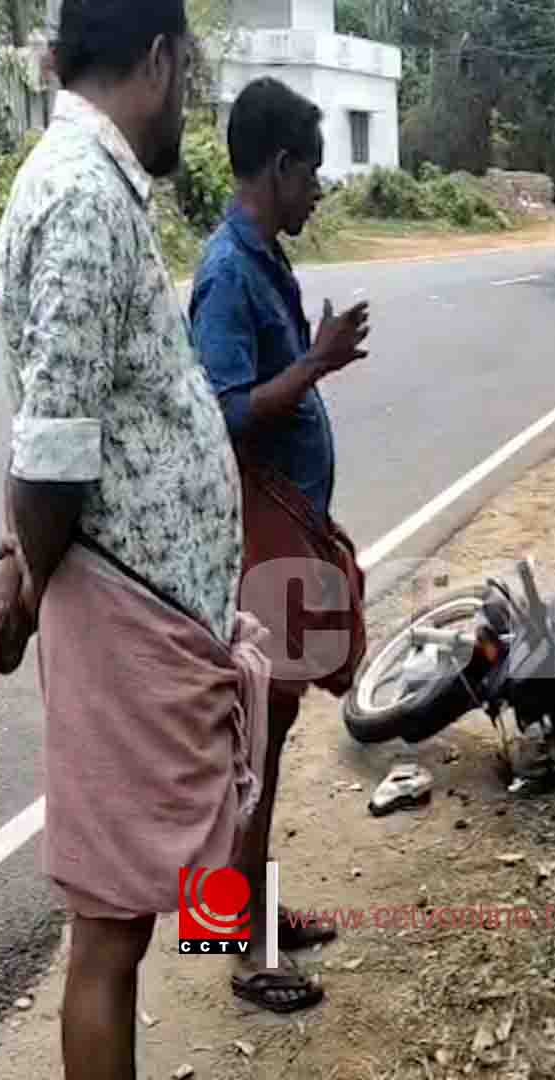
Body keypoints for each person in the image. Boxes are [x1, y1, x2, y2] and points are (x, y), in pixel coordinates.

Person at [0, 2, 270, 1076]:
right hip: (124, 621)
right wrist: (21, 586)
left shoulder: (100, 189)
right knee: (106, 934)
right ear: (158, 60)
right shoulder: (77, 195)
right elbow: (52, 451)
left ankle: (232, 935)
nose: (188, 101)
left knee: (136, 921)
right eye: (188, 74)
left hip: (155, 618)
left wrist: (19, 560)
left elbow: (72, 419)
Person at [188, 75, 370, 1013]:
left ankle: (248, 914)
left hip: (285, 533)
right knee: (247, 748)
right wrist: (318, 360)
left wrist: (311, 358)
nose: (318, 194)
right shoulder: (227, 271)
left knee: (269, 738)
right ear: (280, 164)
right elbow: (222, 415)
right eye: (312, 175)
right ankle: (233, 943)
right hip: (256, 540)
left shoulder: (264, 260)